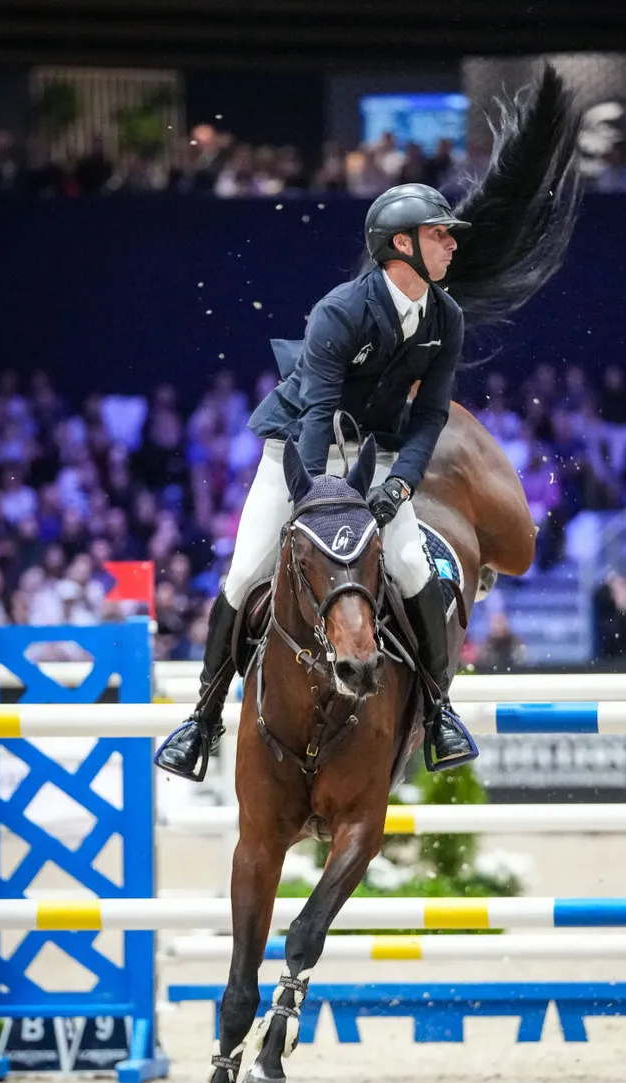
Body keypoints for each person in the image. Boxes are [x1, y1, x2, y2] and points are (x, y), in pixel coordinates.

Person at [155, 183, 480, 781]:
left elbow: (431, 414)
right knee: (244, 572)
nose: (452, 244)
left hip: (374, 451)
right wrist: (312, 499)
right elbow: (316, 413)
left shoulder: (446, 317)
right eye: (439, 235)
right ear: (400, 245)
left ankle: (439, 712)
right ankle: (202, 720)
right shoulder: (341, 310)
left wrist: (401, 486)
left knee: (412, 566)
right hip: (300, 450)